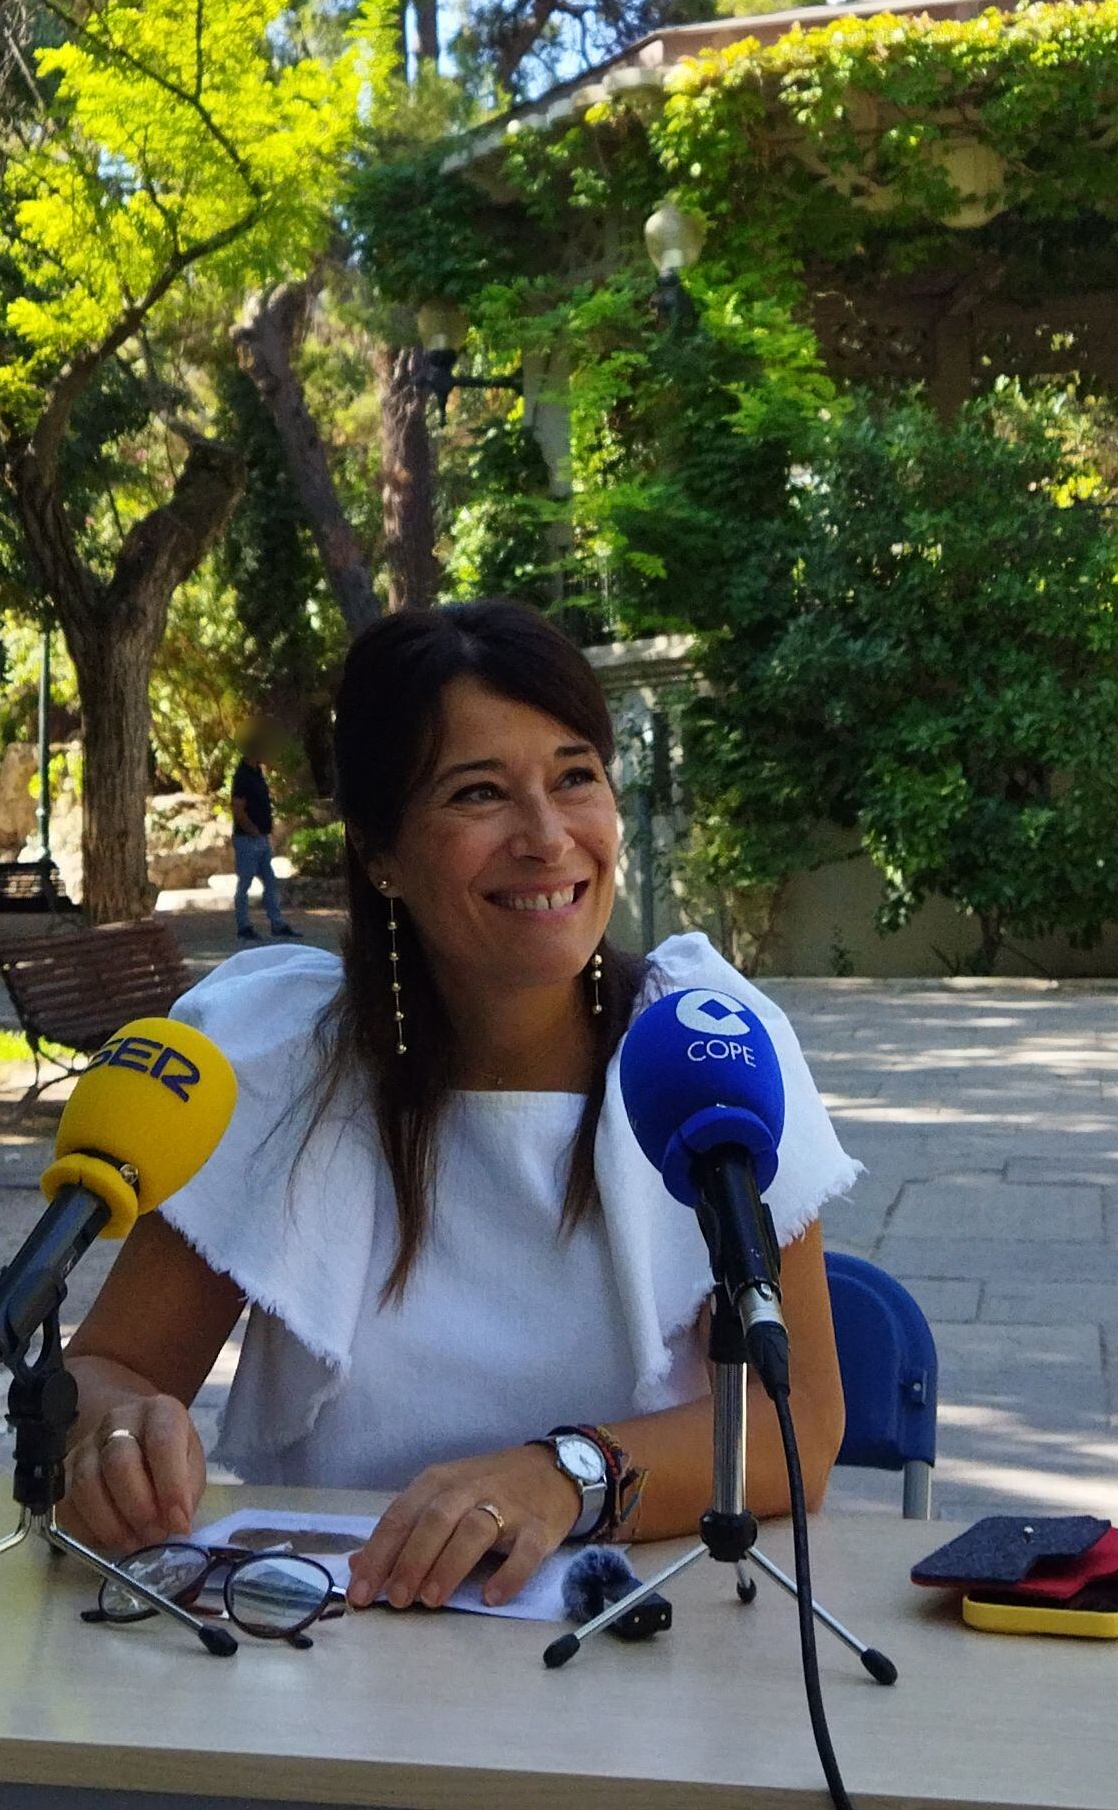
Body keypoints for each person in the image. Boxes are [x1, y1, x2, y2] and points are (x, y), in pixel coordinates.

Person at [54, 601, 853, 1613]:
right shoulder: (286, 1061)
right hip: (328, 1633)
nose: (547, 837)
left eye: (575, 776)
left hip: (634, 1632)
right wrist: (112, 1433)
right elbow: (107, 1368)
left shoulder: (708, 1047)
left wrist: (561, 1474)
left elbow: (798, 1424)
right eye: (478, 792)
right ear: (379, 850)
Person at [227, 749, 287, 942]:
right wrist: (251, 829)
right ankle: (243, 926)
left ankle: (277, 923)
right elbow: (237, 807)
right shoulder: (242, 776)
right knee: (245, 883)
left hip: (261, 837)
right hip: (247, 839)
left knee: (270, 881)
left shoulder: (257, 773)